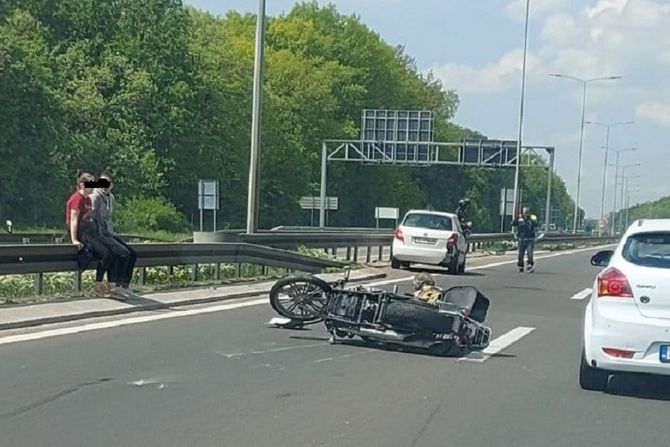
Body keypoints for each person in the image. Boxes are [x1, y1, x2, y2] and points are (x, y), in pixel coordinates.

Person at [66, 170, 132, 299]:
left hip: (91, 231)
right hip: (82, 232)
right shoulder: (77, 199)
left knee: (113, 253)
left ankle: (108, 285)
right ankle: (98, 285)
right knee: (106, 254)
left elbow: (90, 217)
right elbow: (74, 220)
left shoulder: (87, 200)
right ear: (83, 185)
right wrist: (74, 239)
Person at [89, 168, 138, 298]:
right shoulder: (95, 196)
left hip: (108, 232)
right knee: (121, 253)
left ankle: (124, 285)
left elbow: (109, 218)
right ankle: (114, 286)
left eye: (108, 183)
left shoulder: (111, 198)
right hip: (99, 233)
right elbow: (91, 216)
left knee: (132, 254)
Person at [512, 206, 538, 272]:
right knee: (520, 254)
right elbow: (513, 224)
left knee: (530, 254)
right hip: (521, 239)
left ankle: (530, 265)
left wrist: (529, 219)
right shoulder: (520, 218)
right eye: (524, 211)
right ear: (522, 211)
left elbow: (536, 224)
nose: (526, 213)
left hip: (529, 239)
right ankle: (520, 266)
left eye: (527, 211)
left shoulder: (532, 217)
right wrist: (518, 217)